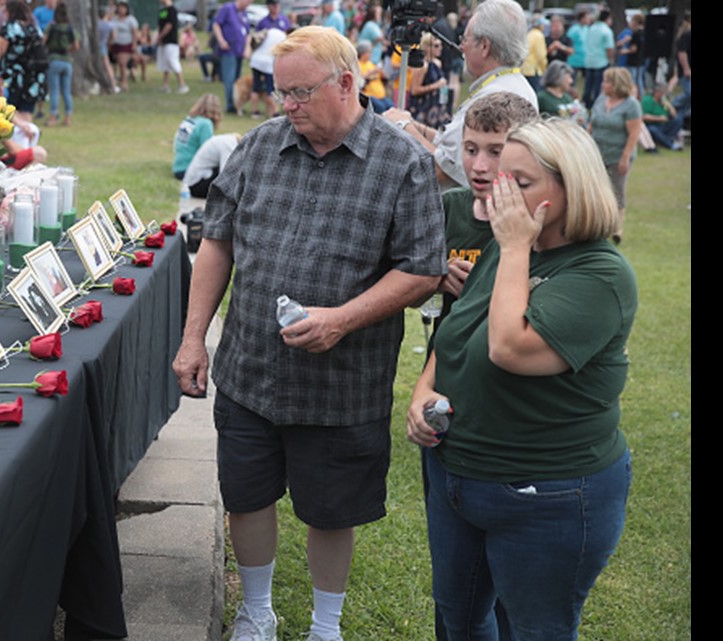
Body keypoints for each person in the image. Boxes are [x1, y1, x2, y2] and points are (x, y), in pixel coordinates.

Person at [172, 26, 445, 641]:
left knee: (331, 509)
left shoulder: (401, 162)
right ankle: (257, 612)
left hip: (343, 382)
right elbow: (217, 238)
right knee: (246, 495)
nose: (286, 106)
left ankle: (327, 626)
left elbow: (424, 268)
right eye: (280, 93)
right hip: (251, 370)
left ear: (346, 84)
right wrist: (195, 338)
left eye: (299, 93)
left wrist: (342, 319)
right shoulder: (259, 146)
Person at [407, 117, 635, 641]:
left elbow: (509, 347)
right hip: (458, 476)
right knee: (457, 616)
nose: (498, 187)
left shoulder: (599, 274)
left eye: (522, 182)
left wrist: (511, 247)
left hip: (549, 494)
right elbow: (456, 333)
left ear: (570, 189)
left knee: (535, 629)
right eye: (499, 175)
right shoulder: (510, 251)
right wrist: (423, 393)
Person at [385, 0, 537, 190]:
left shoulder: (493, 97)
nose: (461, 47)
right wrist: (413, 126)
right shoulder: (516, 85)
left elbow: (445, 170)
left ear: (484, 46)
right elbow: (453, 147)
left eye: (464, 39)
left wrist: (403, 127)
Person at [434, 92, 538, 330]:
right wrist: (438, 276)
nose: (479, 166)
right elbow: (411, 289)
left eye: (496, 152)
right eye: (471, 150)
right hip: (448, 355)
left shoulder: (537, 220)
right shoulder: (450, 206)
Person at [587, 67, 641, 244]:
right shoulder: (601, 100)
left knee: (617, 190)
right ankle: (599, 224)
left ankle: (617, 228)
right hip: (597, 153)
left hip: (618, 154)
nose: (603, 84)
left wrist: (625, 158)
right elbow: (592, 124)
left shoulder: (631, 105)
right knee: (597, 189)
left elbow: (634, 133)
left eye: (607, 81)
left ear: (616, 84)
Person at [0, 0, 48, 120]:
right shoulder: (33, 29)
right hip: (32, 76)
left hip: (12, 77)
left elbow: (0, 51)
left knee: (10, 111)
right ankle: (26, 135)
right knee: (26, 112)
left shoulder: (8, 28)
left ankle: (13, 137)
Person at [212, 0, 251, 115]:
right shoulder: (228, 9)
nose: (249, 5)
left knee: (237, 80)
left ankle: (237, 104)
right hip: (229, 50)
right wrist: (221, 40)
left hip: (240, 51)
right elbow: (216, 24)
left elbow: (248, 32)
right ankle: (231, 106)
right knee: (229, 79)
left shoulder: (243, 13)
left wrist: (247, 48)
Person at [43, 3, 78, 126]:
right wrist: (68, 49)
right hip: (67, 61)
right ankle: (68, 117)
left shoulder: (51, 26)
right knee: (66, 91)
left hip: (54, 59)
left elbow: (44, 41)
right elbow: (76, 45)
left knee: (55, 91)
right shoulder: (70, 28)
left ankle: (53, 116)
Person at [172, 93, 221, 180]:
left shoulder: (189, 119)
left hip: (178, 167)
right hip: (190, 170)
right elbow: (208, 152)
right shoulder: (205, 124)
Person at [406, 32, 449, 129]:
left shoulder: (437, 63)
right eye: (436, 46)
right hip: (423, 108)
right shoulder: (423, 66)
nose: (440, 48)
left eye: (440, 45)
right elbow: (415, 90)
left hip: (436, 108)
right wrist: (436, 85)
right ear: (427, 47)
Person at [182, 132, 241, 198]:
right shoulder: (229, 145)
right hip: (197, 186)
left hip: (192, 183)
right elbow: (226, 174)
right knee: (231, 174)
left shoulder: (225, 139)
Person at [248, 26, 287, 119]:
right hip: (267, 63)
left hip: (255, 60)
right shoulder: (283, 38)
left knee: (255, 88)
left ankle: (255, 112)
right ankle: (275, 112)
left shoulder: (270, 31)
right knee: (271, 89)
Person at [581, 8, 614, 109]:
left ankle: (586, 105)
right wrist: (611, 60)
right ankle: (596, 106)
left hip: (589, 61)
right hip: (601, 62)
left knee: (588, 86)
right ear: (607, 19)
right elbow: (609, 48)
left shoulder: (591, 28)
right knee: (598, 87)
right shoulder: (606, 31)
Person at [155, 0, 189, 94]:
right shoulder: (162, 11)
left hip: (171, 41)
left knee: (172, 61)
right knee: (165, 63)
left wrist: (160, 36)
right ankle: (165, 85)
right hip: (163, 42)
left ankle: (182, 84)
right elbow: (160, 24)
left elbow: (169, 25)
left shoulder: (172, 10)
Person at [642, 81, 685, 151]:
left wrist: (669, 106)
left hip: (664, 125)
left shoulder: (664, 100)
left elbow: (674, 115)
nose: (663, 94)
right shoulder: (647, 100)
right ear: (657, 92)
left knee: (678, 120)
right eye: (662, 92)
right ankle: (670, 144)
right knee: (653, 130)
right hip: (652, 125)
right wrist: (658, 118)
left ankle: (665, 140)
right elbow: (644, 116)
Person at [108, 1, 139, 92]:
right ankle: (116, 81)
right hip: (115, 44)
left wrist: (134, 45)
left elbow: (134, 33)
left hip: (126, 44)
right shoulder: (114, 19)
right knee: (116, 63)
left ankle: (124, 82)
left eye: (123, 8)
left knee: (123, 63)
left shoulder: (130, 20)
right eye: (120, 8)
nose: (121, 10)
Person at [620, 13, 646, 99]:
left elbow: (633, 49)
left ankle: (633, 97)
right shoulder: (645, 32)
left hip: (633, 61)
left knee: (633, 81)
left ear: (636, 22)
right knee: (639, 80)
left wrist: (625, 51)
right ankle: (641, 96)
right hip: (641, 60)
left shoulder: (635, 34)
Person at [522, 15, 547, 91]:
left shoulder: (529, 34)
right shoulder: (539, 36)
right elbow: (541, 55)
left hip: (524, 69)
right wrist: (544, 68)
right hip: (534, 70)